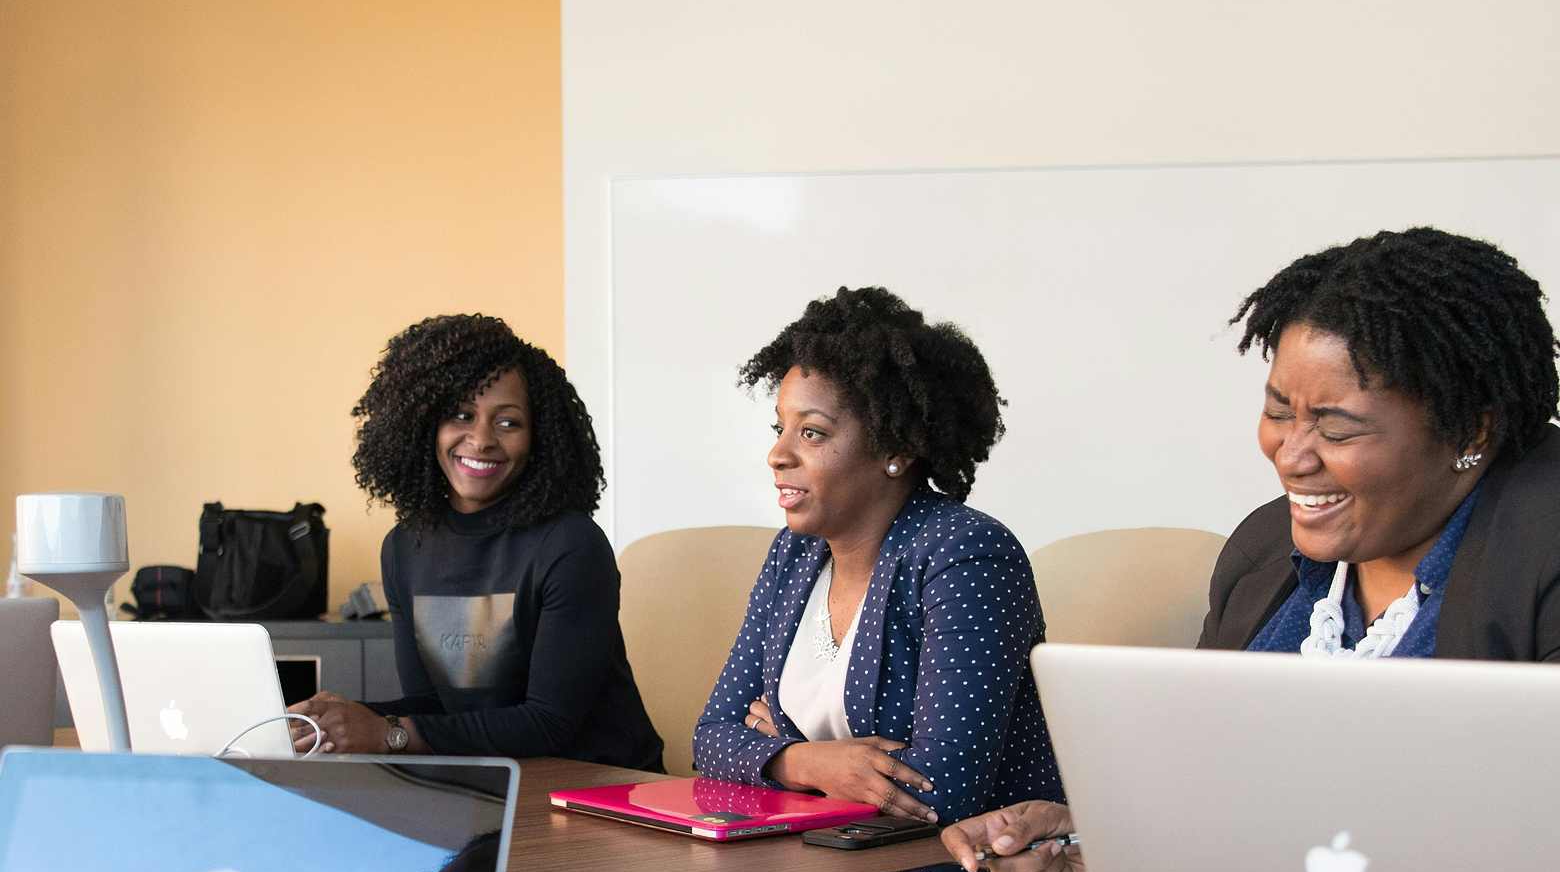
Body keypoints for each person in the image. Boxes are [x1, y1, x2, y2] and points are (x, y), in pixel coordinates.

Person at [943, 226, 1560, 872]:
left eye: (1336, 427)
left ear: (1472, 431)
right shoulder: (1265, 549)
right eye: (1277, 412)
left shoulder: (1541, 548)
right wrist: (1097, 836)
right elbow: (1209, 789)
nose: (1291, 455)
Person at [693, 285, 1062, 826]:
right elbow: (710, 740)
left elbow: (938, 791)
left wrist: (778, 747)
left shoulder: (965, 554)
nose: (777, 454)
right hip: (816, 857)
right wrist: (812, 761)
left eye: (812, 433)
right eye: (781, 428)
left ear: (896, 449)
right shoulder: (793, 555)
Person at [288, 314, 663, 769]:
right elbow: (434, 707)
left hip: (597, 788)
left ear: (538, 437)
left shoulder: (570, 545)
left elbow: (549, 723)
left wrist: (387, 732)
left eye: (508, 423)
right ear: (423, 425)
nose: (481, 439)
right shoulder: (405, 548)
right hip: (492, 780)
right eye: (461, 416)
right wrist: (338, 720)